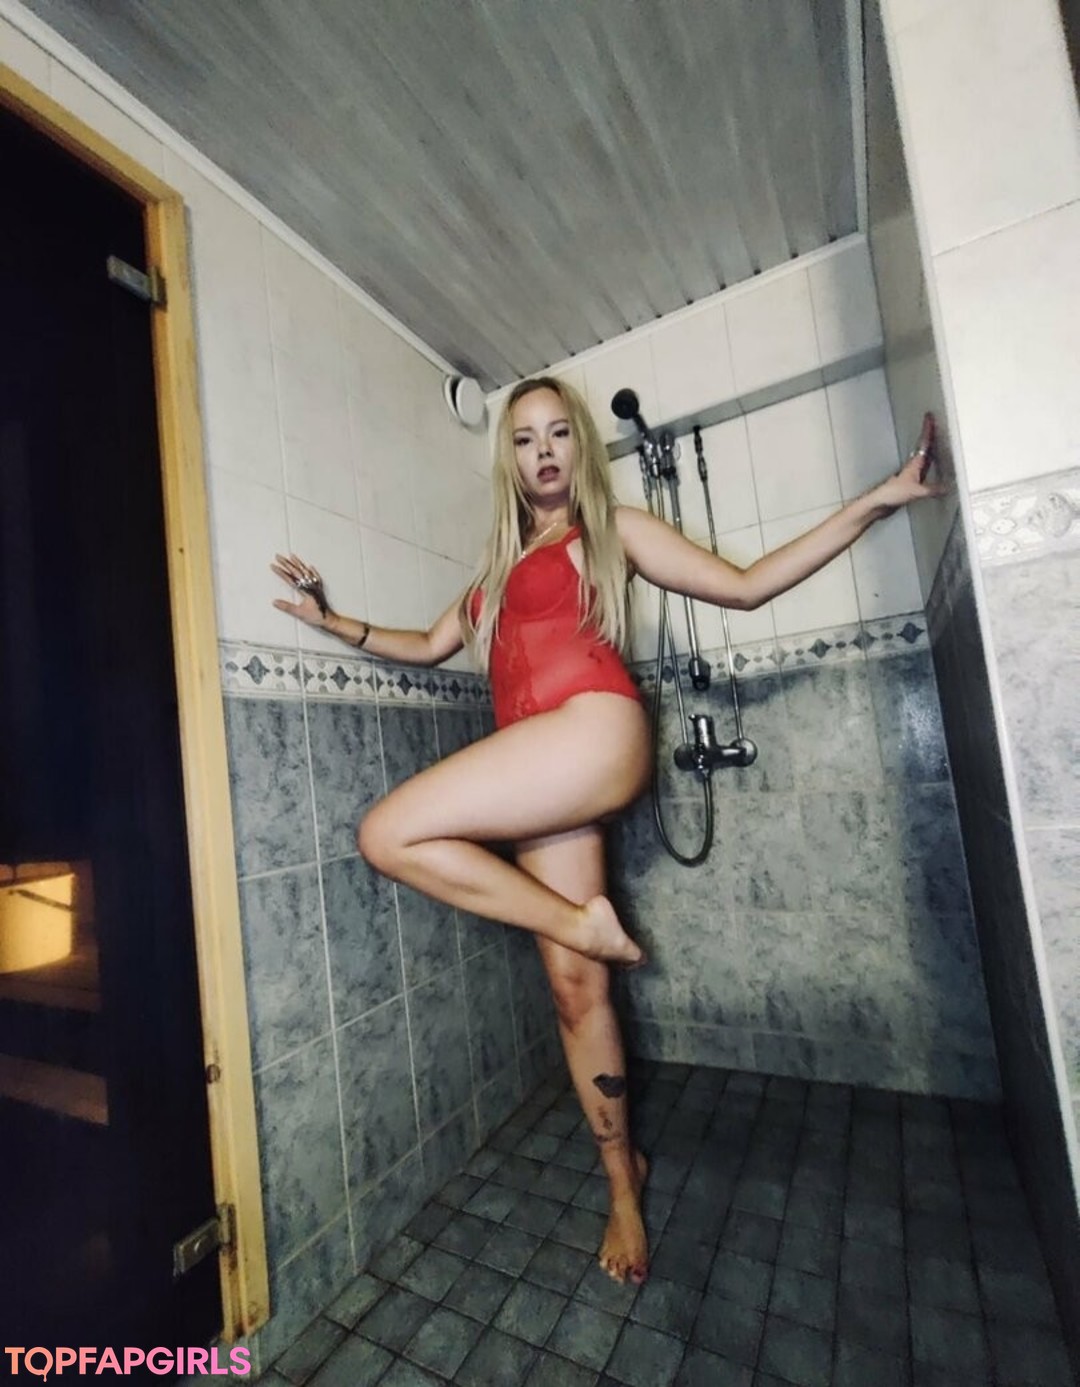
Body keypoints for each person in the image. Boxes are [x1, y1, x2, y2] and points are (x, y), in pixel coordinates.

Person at [271, 376, 941, 1285]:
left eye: (558, 433)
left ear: (579, 446)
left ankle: (584, 924)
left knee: (386, 833)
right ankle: (624, 1180)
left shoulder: (611, 530)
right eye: (523, 438)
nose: (543, 451)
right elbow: (426, 645)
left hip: (592, 734)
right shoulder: (492, 576)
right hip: (546, 774)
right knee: (575, 989)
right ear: (508, 460)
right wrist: (330, 621)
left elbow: (746, 588)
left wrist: (878, 500)